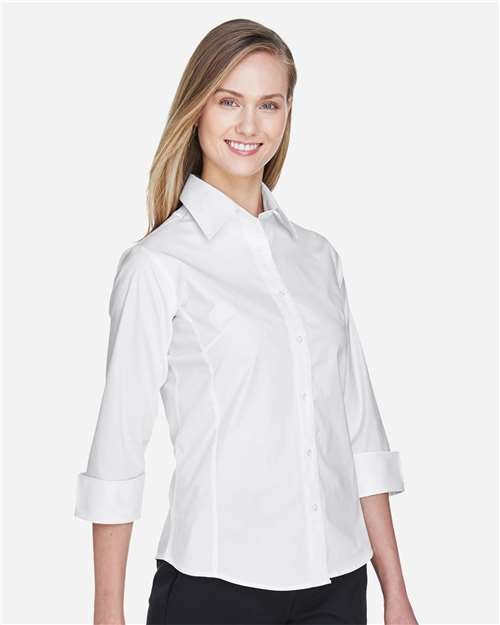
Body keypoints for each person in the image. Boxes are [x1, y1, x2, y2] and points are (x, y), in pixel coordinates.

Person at [75, 17, 418, 625]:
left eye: (269, 104)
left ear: (287, 116)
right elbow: (118, 451)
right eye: (229, 101)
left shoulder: (318, 257)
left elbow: (360, 432)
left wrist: (395, 591)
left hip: (338, 586)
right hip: (216, 588)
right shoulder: (158, 265)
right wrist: (107, 613)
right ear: (197, 109)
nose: (249, 125)